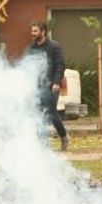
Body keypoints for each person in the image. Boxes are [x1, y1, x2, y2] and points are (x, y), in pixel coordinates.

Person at [28, 19, 68, 151]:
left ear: (43, 32)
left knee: (50, 112)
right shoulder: (32, 49)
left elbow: (60, 65)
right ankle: (43, 145)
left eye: (35, 31)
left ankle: (63, 135)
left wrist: (56, 82)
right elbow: (28, 66)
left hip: (52, 85)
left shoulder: (54, 46)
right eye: (32, 31)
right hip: (37, 86)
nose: (32, 33)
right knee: (38, 114)